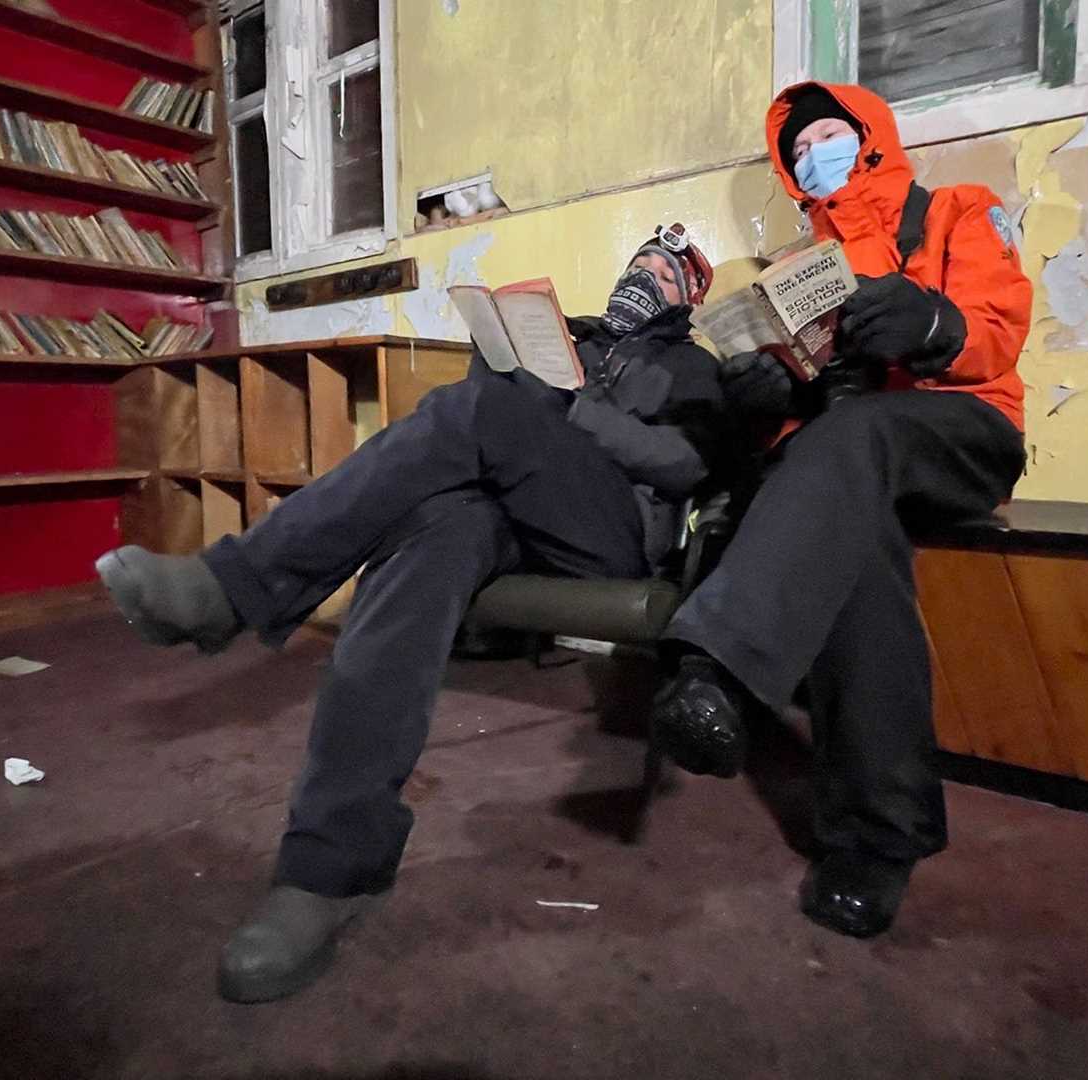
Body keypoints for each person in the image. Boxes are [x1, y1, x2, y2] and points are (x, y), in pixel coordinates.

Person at [97, 227, 731, 1003]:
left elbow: (686, 464)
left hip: (606, 534)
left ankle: (235, 588)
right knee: (431, 537)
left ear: (689, 298)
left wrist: (561, 408)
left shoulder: (693, 365)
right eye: (640, 262)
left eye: (667, 274)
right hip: (507, 514)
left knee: (484, 407)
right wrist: (519, 370)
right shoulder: (572, 337)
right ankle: (326, 873)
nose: (647, 276)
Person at [649, 81, 1032, 939]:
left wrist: (928, 320)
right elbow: (804, 406)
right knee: (855, 530)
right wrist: (769, 388)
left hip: (962, 429)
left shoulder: (957, 212)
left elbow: (997, 335)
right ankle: (876, 838)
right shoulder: (799, 266)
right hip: (853, 451)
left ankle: (717, 676)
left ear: (869, 136)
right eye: (797, 150)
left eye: (828, 133)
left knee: (854, 439)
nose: (813, 152)